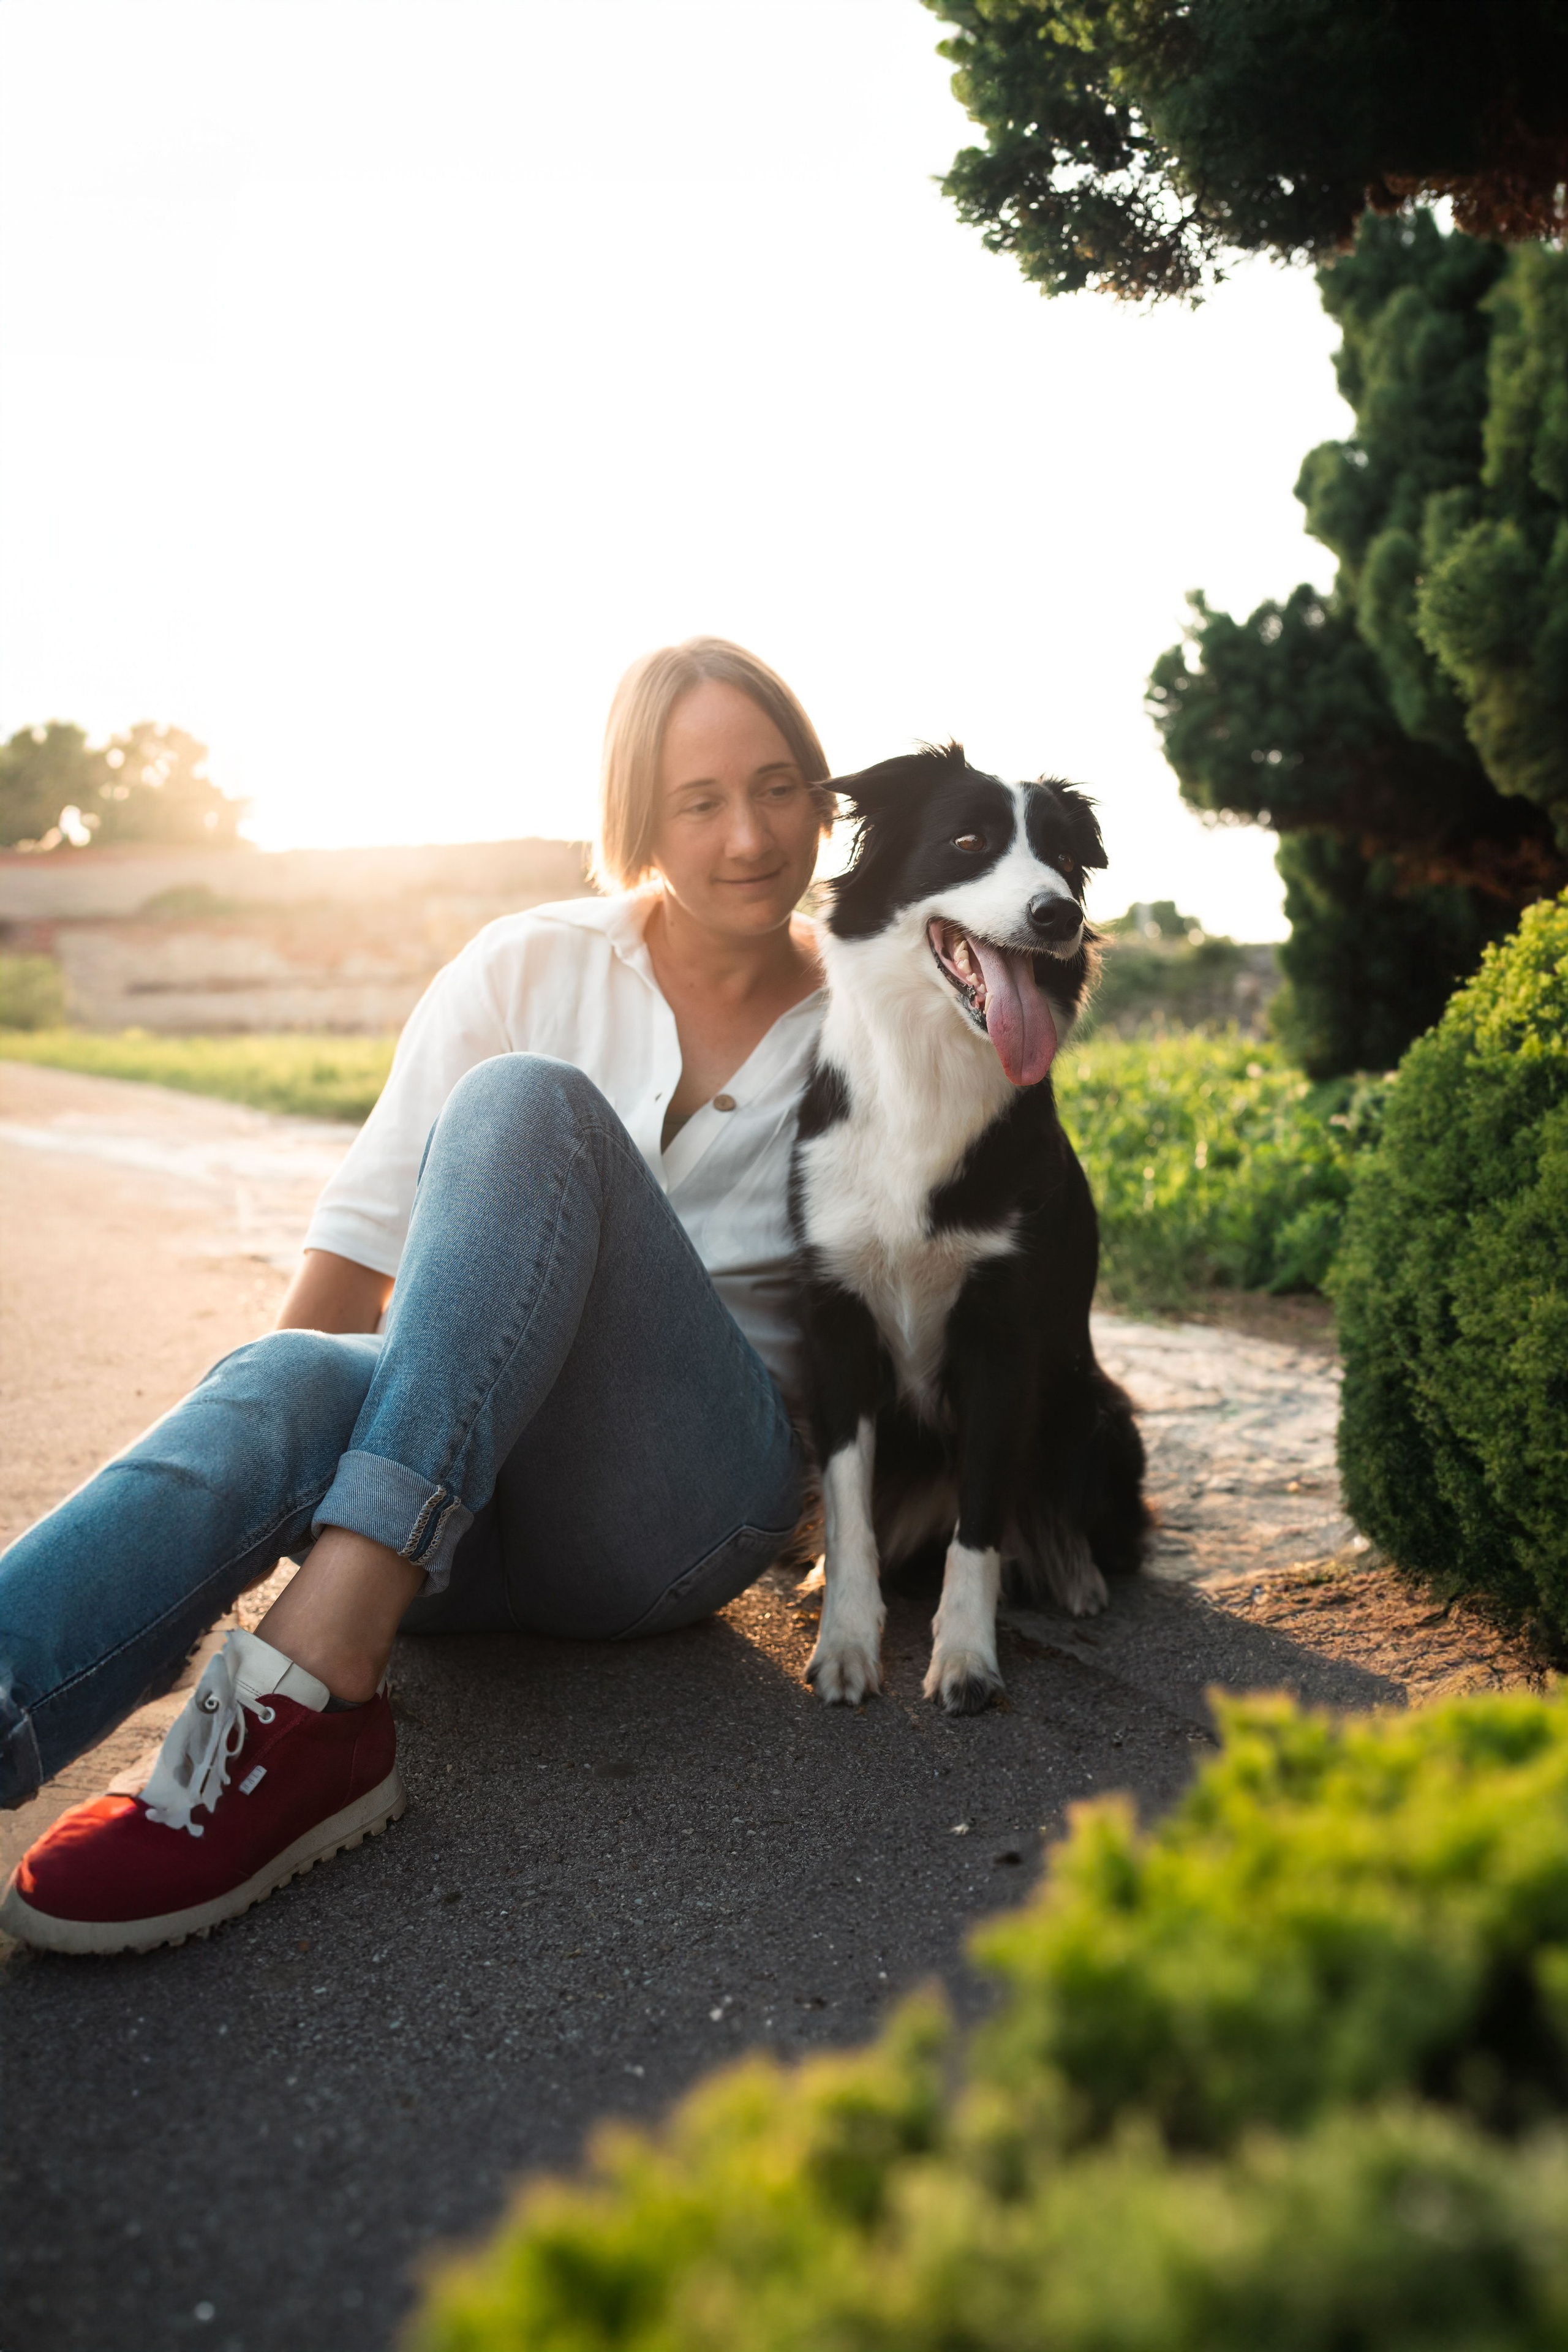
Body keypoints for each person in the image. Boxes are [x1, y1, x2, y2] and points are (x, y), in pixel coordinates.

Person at [0, 638, 833, 1953]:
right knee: (286, 1370)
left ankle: (312, 1684)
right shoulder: (526, 965)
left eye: (778, 787)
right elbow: (354, 1253)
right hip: (453, 1506)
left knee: (529, 1103)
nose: (749, 836)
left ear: (822, 795)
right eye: (700, 801)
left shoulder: (885, 1019)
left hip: (671, 1520)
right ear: (638, 819)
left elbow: (958, 1300)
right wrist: (258, 1490)